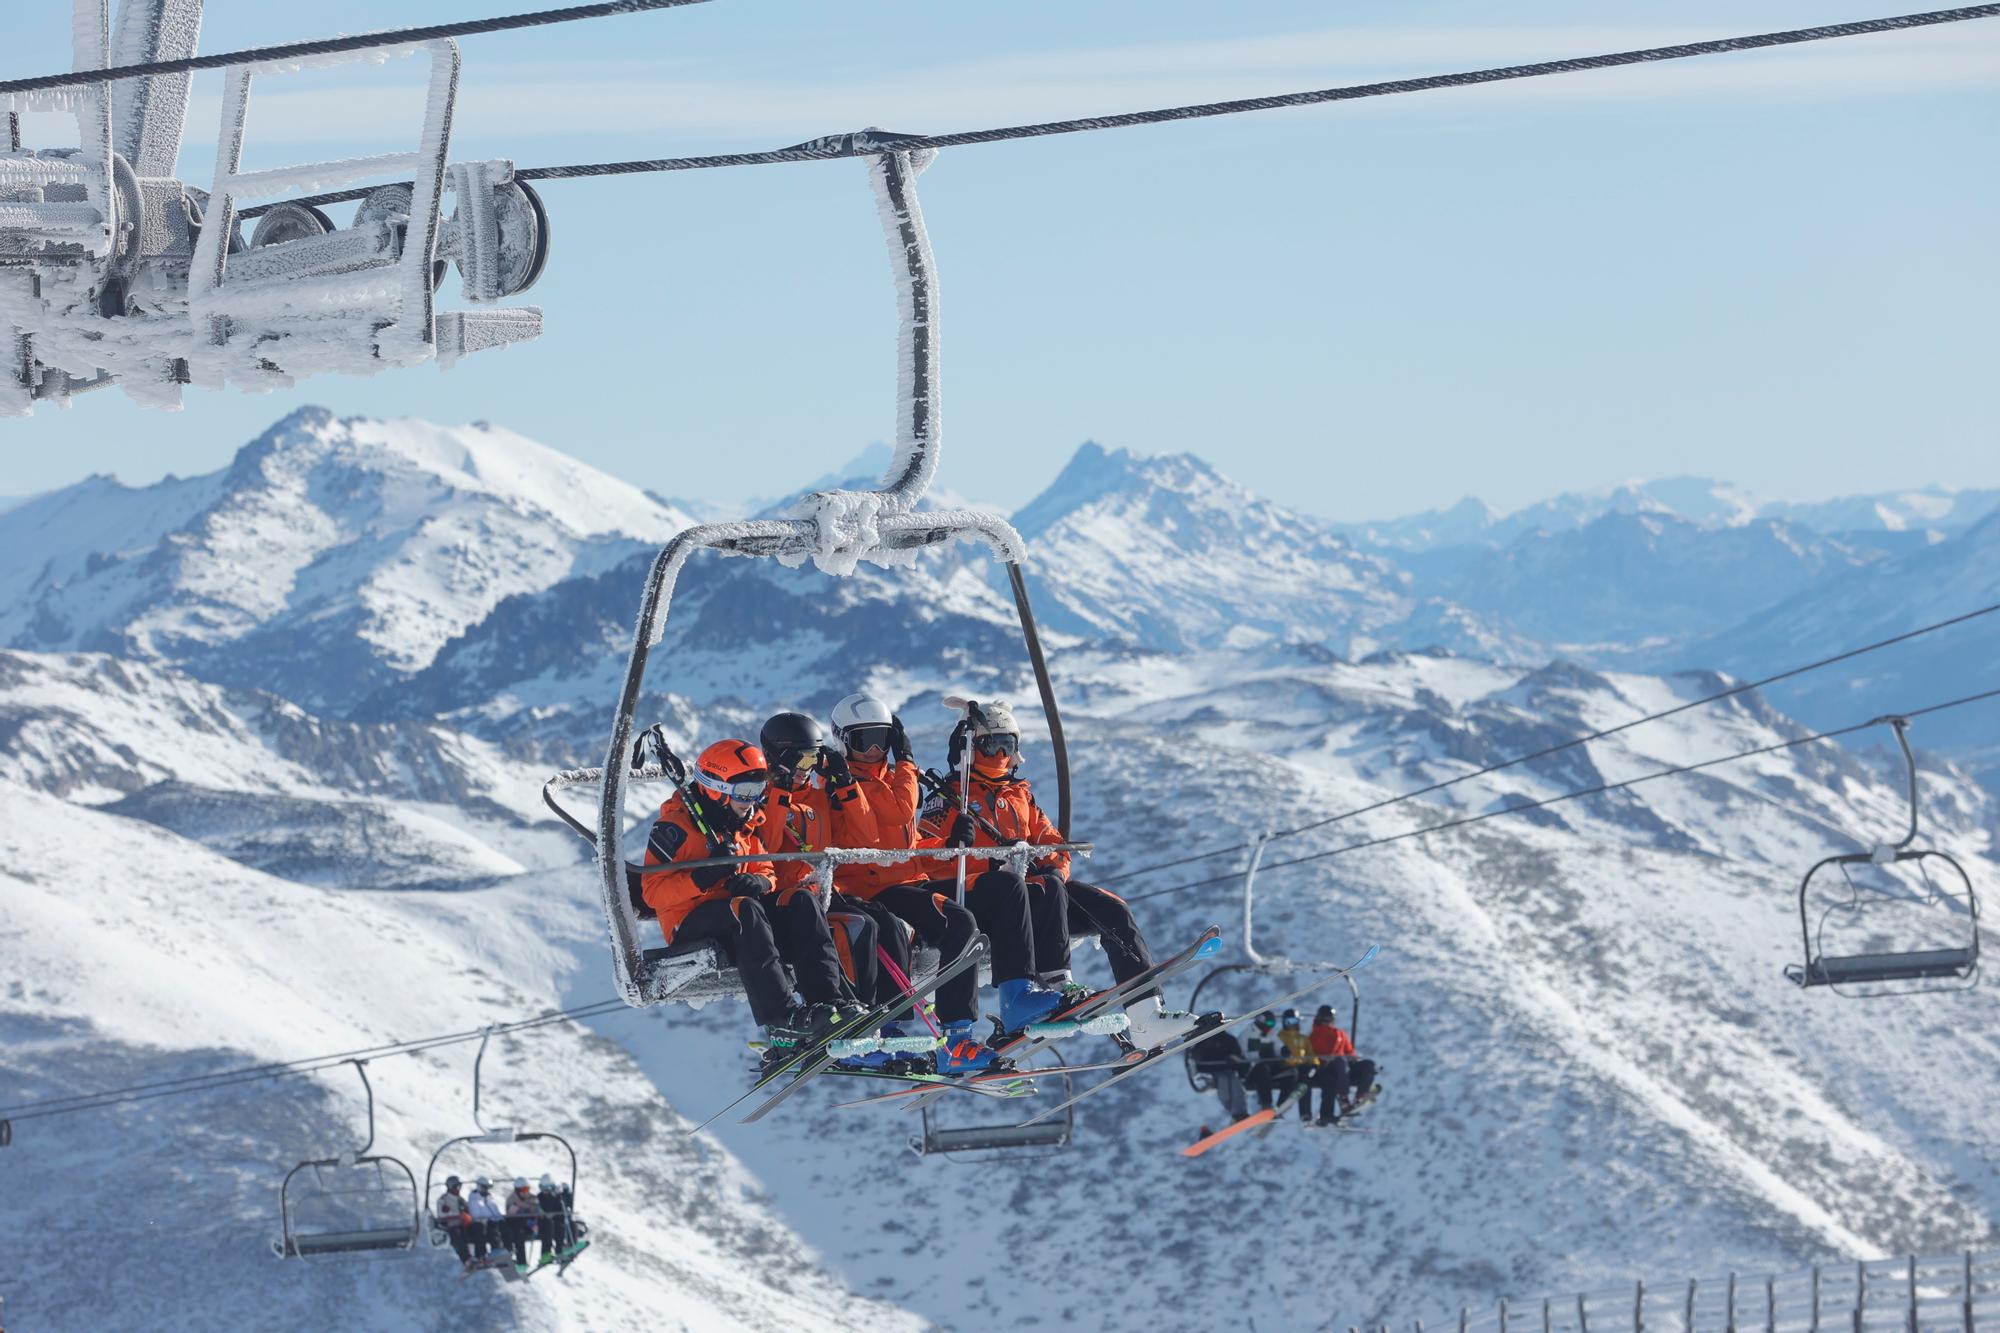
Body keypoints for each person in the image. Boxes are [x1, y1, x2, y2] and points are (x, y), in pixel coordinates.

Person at [920, 697, 1203, 1051]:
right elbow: (924, 859)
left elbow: (1050, 840)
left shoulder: (1020, 795)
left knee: (1110, 908)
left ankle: (1146, 1014)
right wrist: (969, 853)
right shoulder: (948, 799)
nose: (1002, 756)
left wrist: (1054, 865)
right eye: (992, 746)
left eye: (1009, 746)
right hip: (984, 898)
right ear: (972, 748)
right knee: (1033, 886)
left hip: (1035, 894)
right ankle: (1053, 983)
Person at [826, 693, 1068, 1071]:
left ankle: (1016, 995)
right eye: (863, 741)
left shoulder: (892, 780)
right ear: (842, 741)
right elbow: (875, 831)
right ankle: (953, 1037)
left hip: (909, 878)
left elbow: (908, 844)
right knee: (959, 921)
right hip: (871, 889)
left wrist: (949, 844)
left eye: (882, 739)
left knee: (1005, 886)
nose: (874, 750)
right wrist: (905, 763)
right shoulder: (840, 786)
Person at [639, 739, 862, 1053]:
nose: (752, 802)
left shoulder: (742, 824)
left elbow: (766, 868)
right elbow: (653, 893)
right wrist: (701, 876)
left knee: (799, 901)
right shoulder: (675, 829)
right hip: (688, 923)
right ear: (716, 788)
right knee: (744, 909)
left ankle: (827, 1002)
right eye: (744, 793)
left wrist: (760, 882)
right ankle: (781, 1017)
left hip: (741, 920)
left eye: (758, 792)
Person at [1308, 1003, 1379, 1125]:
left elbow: (1349, 1051)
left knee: (1369, 1064)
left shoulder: (1340, 1033)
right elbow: (1313, 1053)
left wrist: (1353, 1058)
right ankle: (1344, 1099)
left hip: (1344, 1068)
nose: (1327, 1022)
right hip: (1327, 1068)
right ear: (1319, 1019)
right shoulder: (1314, 1036)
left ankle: (1360, 1097)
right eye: (1324, 1019)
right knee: (1339, 1061)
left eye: (1329, 1019)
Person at [1189, 1028, 1251, 1122]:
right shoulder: (1203, 1041)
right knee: (1223, 1080)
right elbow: (1196, 1057)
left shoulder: (1228, 1040)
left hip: (1227, 1068)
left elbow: (1237, 1053)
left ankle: (1240, 1111)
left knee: (1235, 1081)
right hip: (1210, 1071)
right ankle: (1235, 1112)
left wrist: (1235, 1060)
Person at [1243, 1011, 1295, 1112]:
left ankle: (1281, 1106)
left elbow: (1279, 1048)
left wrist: (1284, 1052)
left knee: (1291, 1073)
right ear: (1260, 1021)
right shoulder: (1247, 1034)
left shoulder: (1271, 1034)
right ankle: (1266, 1104)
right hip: (1253, 1072)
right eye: (1269, 1023)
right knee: (1262, 1069)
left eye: (1273, 1024)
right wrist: (1262, 1054)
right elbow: (1249, 1056)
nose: (1270, 1027)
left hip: (1271, 1068)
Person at [1277, 1009, 1320, 1123]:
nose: (1292, 1024)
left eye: (1294, 1021)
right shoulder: (1279, 1037)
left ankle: (1305, 1113)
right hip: (1284, 1067)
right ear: (1284, 1022)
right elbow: (1274, 1051)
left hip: (1301, 1068)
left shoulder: (1303, 1038)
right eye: (1289, 1021)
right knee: (1290, 1079)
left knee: (1305, 1084)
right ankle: (1280, 1106)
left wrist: (1314, 1065)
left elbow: (1310, 1053)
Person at [435, 1174, 476, 1268]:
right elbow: (442, 1214)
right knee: (458, 1236)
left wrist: (468, 1215)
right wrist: (459, 1215)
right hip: (452, 1225)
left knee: (478, 1229)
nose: (459, 1188)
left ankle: (480, 1256)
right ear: (451, 1186)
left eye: (459, 1186)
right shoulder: (443, 1200)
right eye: (457, 1186)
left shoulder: (461, 1199)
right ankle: (467, 1260)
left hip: (464, 1225)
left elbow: (468, 1210)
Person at [502, 1177, 539, 1271]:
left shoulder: (532, 1198)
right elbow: (513, 1215)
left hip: (531, 1225)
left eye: (527, 1189)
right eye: (524, 1190)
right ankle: (521, 1262)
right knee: (519, 1233)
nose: (526, 1192)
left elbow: (538, 1211)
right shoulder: (511, 1199)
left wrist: (534, 1220)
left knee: (547, 1223)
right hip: (517, 1226)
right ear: (518, 1190)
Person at [536, 1174, 572, 1264]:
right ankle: (545, 1254)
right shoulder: (540, 1197)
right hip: (543, 1223)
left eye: (548, 1188)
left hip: (555, 1222)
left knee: (567, 1224)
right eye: (543, 1188)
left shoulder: (557, 1196)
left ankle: (564, 1249)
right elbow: (546, 1208)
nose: (545, 1191)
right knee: (550, 1225)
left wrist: (566, 1193)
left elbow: (565, 1206)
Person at [467, 1177, 504, 1261]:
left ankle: (502, 1251)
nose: (486, 1190)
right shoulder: (474, 1198)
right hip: (479, 1224)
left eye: (488, 1188)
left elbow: (495, 1212)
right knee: (483, 1230)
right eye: (485, 1187)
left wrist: (501, 1220)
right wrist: (488, 1220)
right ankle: (481, 1255)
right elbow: (476, 1214)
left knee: (503, 1229)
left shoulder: (489, 1198)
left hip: (491, 1223)